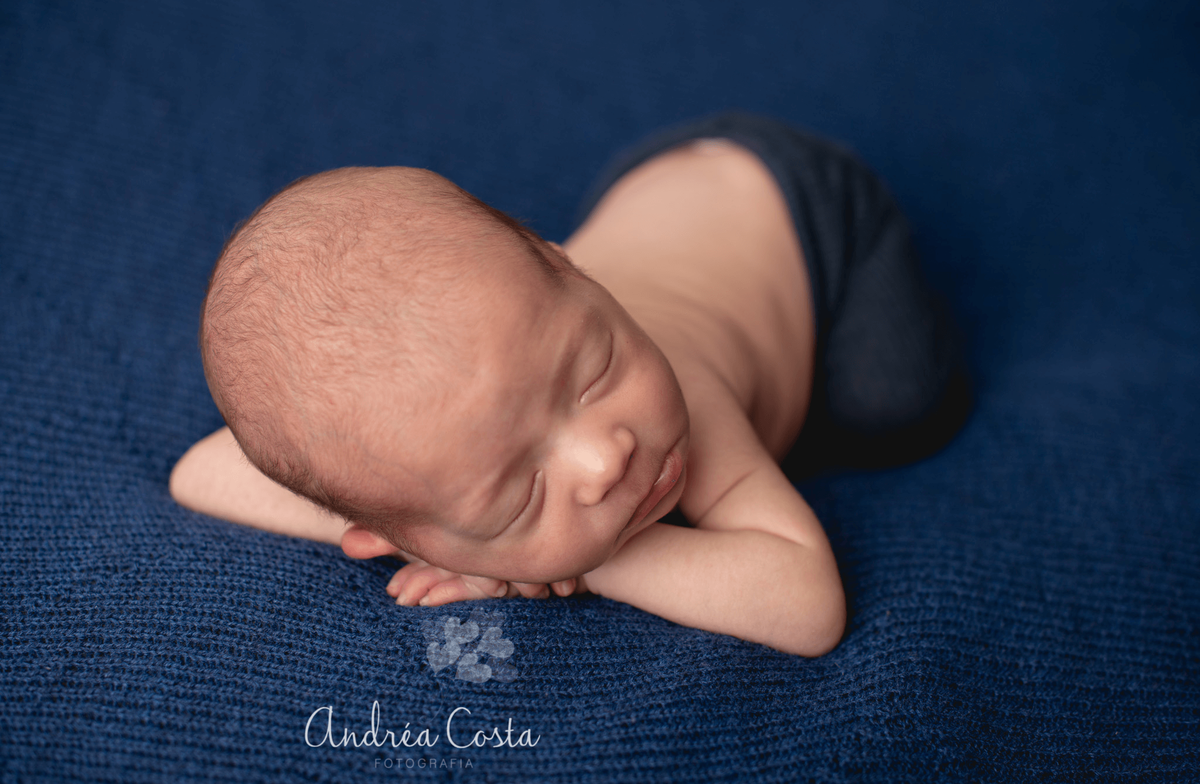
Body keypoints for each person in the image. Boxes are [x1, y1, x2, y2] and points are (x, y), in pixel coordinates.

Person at [169, 111, 967, 657]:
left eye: (594, 371)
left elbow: (808, 605)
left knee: (899, 404)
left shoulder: (680, 385)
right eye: (518, 495)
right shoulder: (487, 407)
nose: (608, 455)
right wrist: (440, 535)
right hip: (662, 191)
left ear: (564, 262)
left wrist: (574, 561)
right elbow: (201, 472)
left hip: (815, 220)